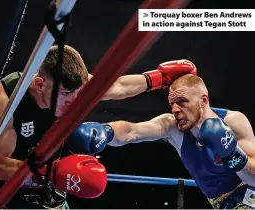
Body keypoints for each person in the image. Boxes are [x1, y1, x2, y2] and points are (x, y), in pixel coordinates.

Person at [0, 44, 196, 209]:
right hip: (6, 194)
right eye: (66, 96)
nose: (74, 104)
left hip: (50, 191)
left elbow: (118, 86)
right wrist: (51, 173)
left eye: (78, 96)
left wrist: (159, 78)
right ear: (40, 84)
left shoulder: (73, 88)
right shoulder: (7, 99)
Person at [69, 74, 255, 209]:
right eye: (171, 103)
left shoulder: (233, 122)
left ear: (203, 100)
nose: (175, 109)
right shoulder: (171, 126)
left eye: (182, 102)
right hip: (220, 204)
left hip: (248, 196)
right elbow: (131, 131)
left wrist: (232, 153)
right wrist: (105, 131)